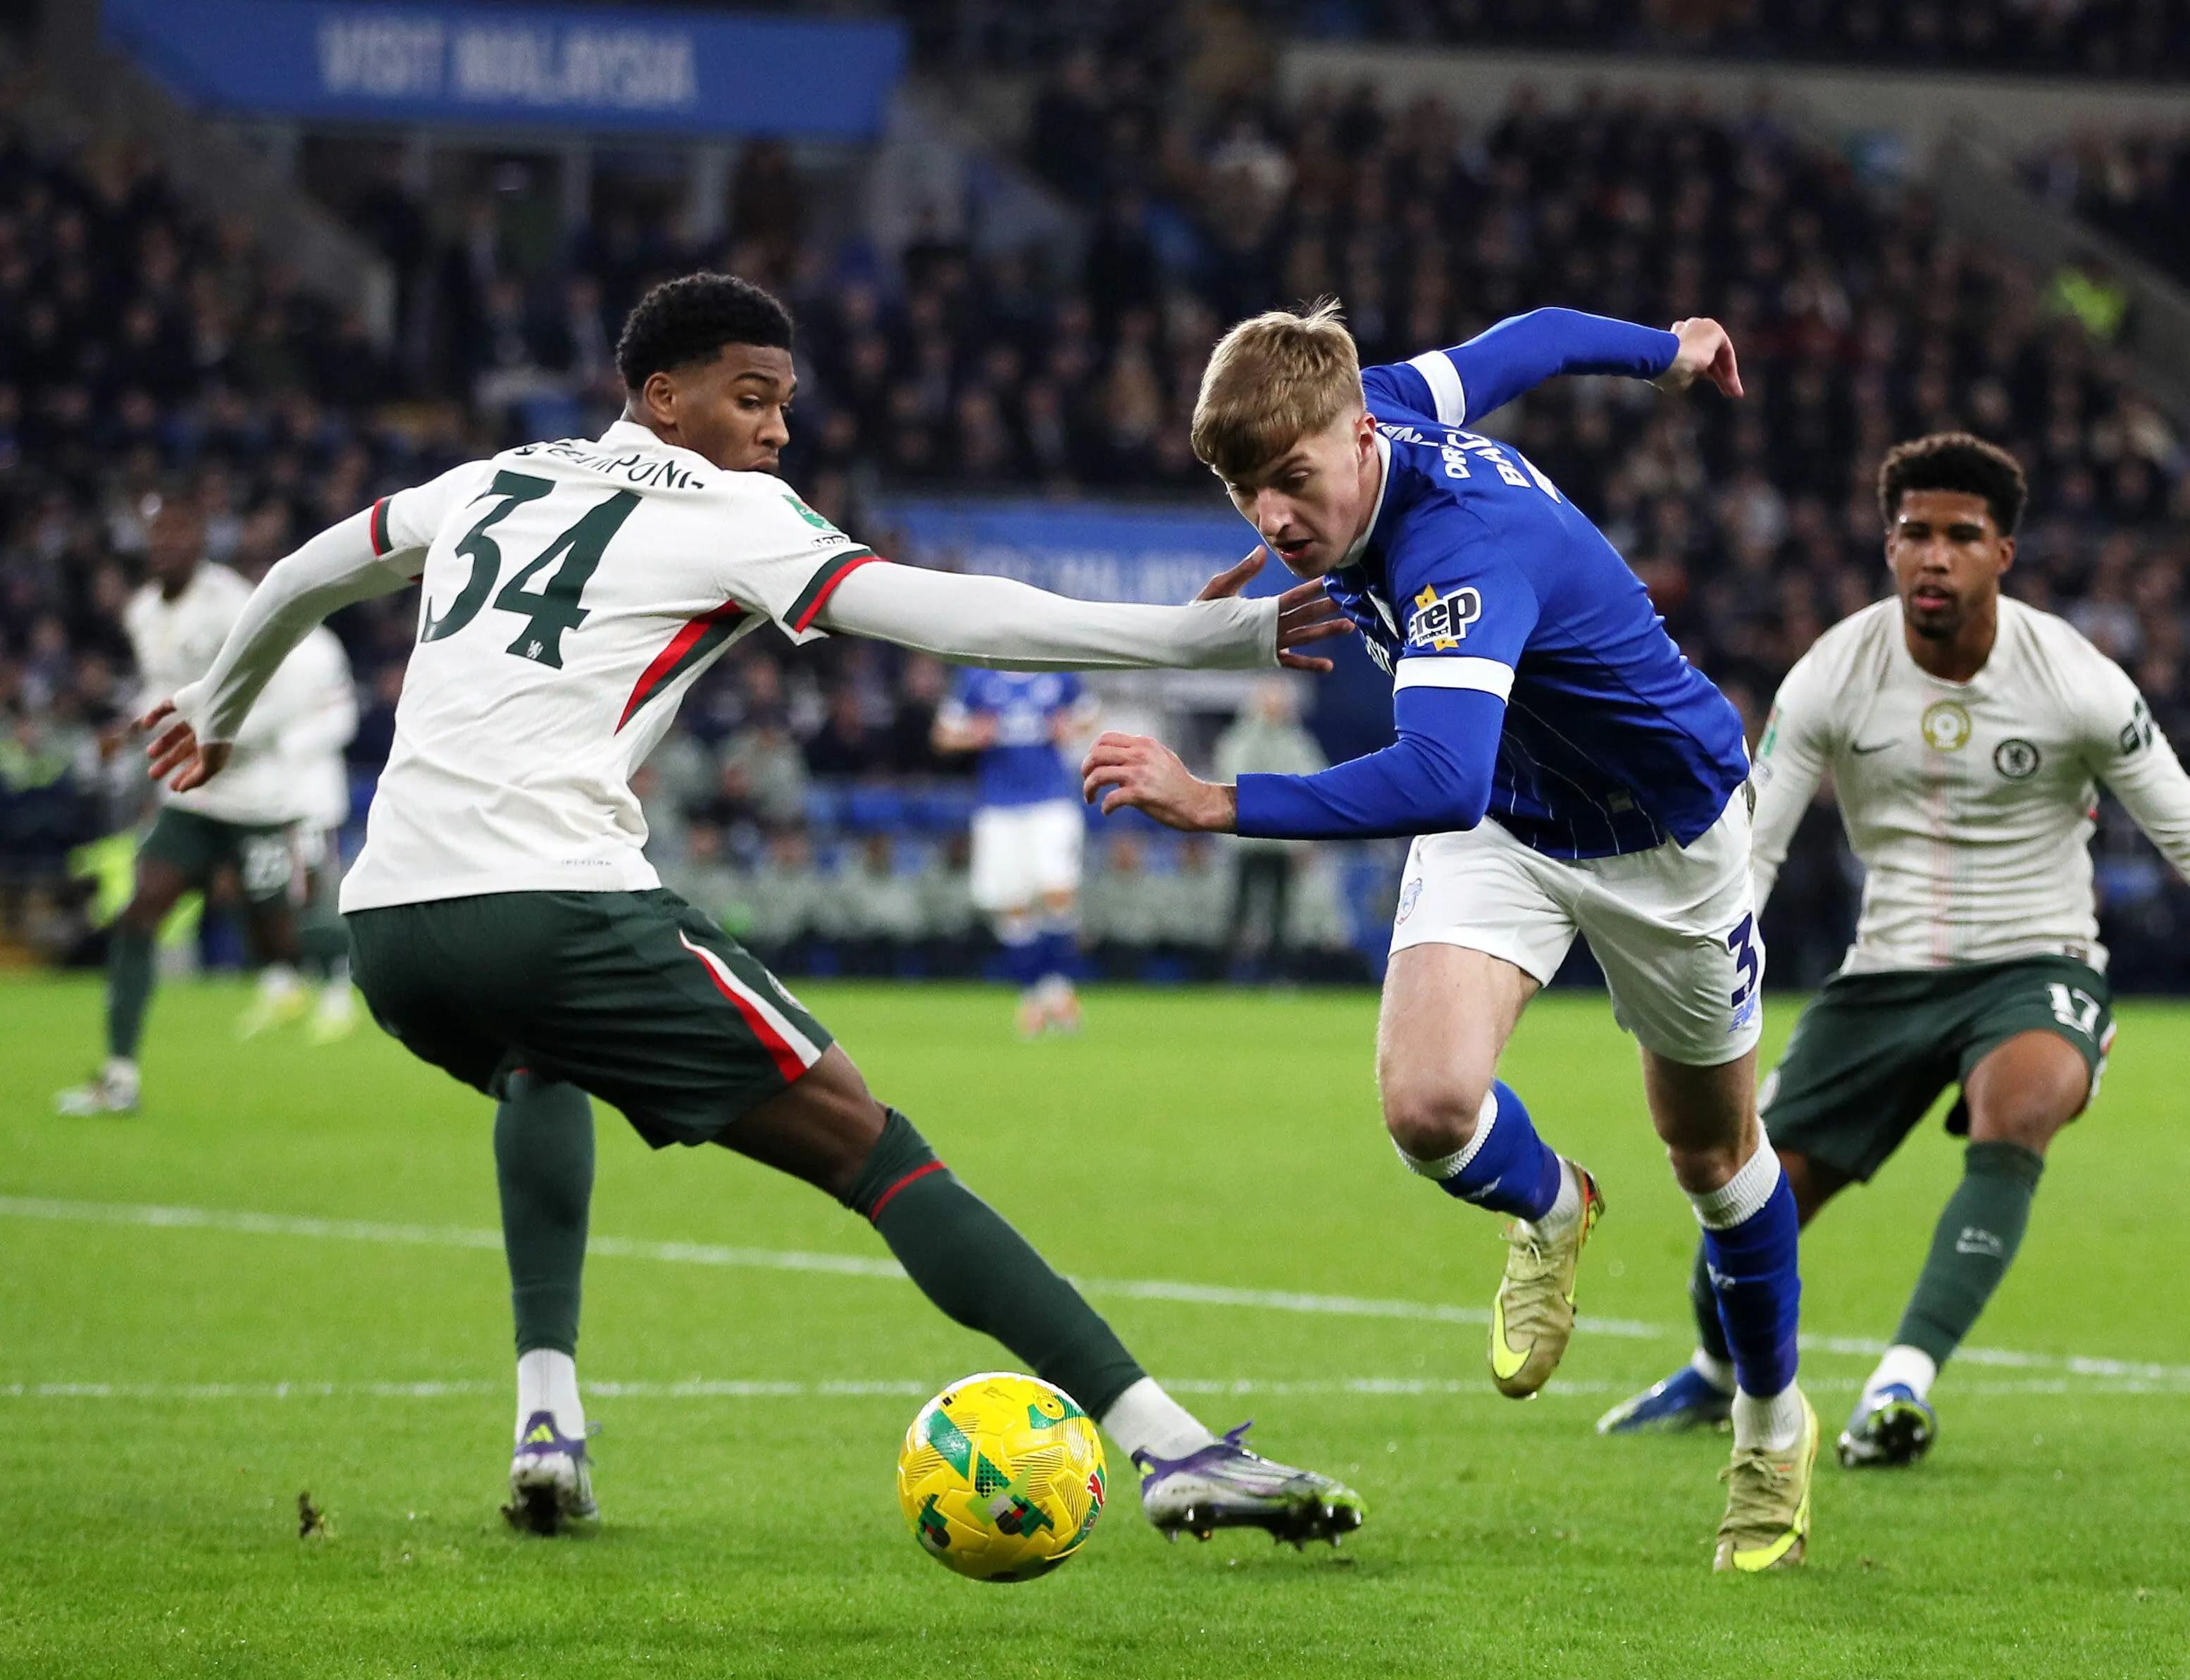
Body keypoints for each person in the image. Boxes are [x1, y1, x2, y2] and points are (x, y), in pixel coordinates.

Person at [138, 272, 1362, 1545]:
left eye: (784, 403)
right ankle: (1168, 1447)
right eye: (751, 396)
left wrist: (215, 714)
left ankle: (545, 1421)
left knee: (538, 1067)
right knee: (873, 1149)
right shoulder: (730, 511)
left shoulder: (485, 481)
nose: (777, 428)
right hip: (553, 899)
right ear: (663, 398)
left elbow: (295, 577)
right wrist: (1194, 641)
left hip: (391, 924)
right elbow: (953, 615)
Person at [1085, 301, 1819, 1573]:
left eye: (1292, 482)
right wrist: (1670, 349)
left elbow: (1435, 780)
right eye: (1245, 492)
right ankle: (1550, 1203)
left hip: (1666, 838)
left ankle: (1771, 1423)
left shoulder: (1460, 550)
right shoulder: (1381, 406)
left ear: (1358, 435)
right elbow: (1523, 342)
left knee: (1713, 1159)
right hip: (1515, 817)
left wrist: (1216, 800)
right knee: (1429, 1107)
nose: (1269, 519)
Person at [1596, 434, 2190, 1469]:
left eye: (1960, 537)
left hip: (2040, 959)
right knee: (1744, 1190)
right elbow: (1753, 848)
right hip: (1884, 973)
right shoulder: (1832, 675)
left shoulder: (2076, 680)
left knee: (2022, 1103)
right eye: (1913, 535)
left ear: (2003, 556)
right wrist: (1712, 980)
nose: (1933, 557)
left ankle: (1902, 1385)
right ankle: (1718, 1375)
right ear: (1888, 548)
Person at [56, 483, 322, 1114]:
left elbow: (285, 694)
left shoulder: (233, 603)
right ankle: (120, 1076)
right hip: (191, 802)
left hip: (256, 796)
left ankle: (328, 981)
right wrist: (126, 731)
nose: (166, 543)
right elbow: (159, 690)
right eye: (157, 533)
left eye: (179, 532)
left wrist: (218, 739)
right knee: (140, 914)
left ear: (201, 539)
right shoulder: (144, 610)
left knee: (279, 937)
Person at [933, 668, 1094, 1035]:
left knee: (1058, 892)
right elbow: (943, 735)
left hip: (1050, 798)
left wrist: (1067, 728)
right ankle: (1040, 997)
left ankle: (1056, 991)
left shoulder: (1058, 671)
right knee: (1013, 905)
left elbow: (1088, 717)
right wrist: (976, 734)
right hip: (999, 805)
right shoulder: (977, 677)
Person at [236, 620, 361, 1043]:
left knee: (315, 896)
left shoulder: (320, 649)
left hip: (311, 798)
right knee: (266, 893)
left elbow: (342, 719)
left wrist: (284, 746)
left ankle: (337, 995)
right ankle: (284, 986)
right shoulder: (258, 641)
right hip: (260, 798)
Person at [1211, 676, 1328, 980]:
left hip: (1281, 840)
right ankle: (1229, 976)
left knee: (1282, 914)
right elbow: (1233, 776)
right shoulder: (1241, 738)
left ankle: (1277, 976)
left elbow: (1313, 784)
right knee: (1239, 911)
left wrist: (1305, 839)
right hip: (1247, 838)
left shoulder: (1297, 742)